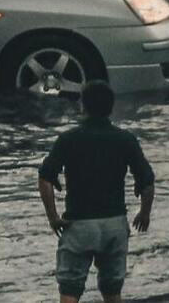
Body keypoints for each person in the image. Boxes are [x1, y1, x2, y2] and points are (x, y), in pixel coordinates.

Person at [38, 80, 155, 303]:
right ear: (110, 108)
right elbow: (147, 180)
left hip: (79, 224)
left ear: (84, 106)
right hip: (114, 224)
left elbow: (45, 178)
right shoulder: (125, 139)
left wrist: (53, 217)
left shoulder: (69, 139)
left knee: (70, 290)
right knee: (112, 291)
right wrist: (144, 213)